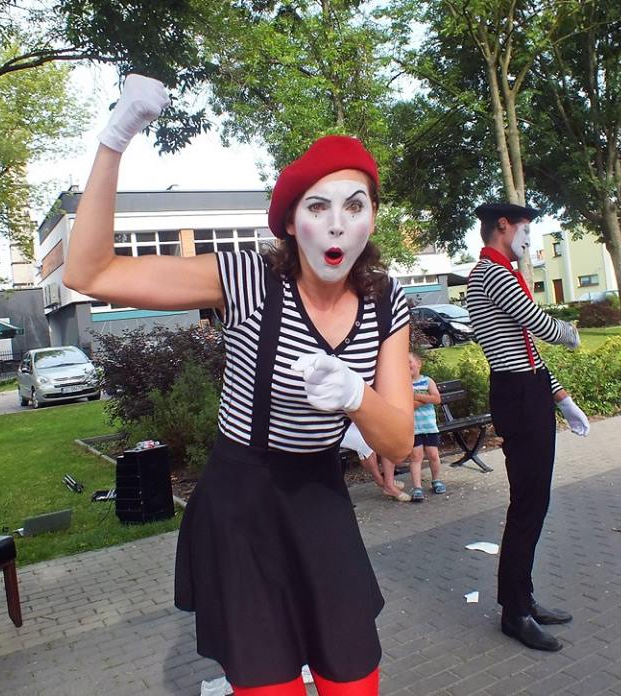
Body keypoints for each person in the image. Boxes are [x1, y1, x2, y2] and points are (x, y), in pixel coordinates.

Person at [63, 74, 414, 695]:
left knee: (355, 677)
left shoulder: (387, 301)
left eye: (354, 206)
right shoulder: (247, 279)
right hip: (243, 503)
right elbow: (90, 272)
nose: (337, 225)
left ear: (372, 218)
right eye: (318, 207)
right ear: (292, 224)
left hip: (320, 499)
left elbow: (398, 443)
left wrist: (357, 396)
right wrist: (115, 138)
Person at [466, 202, 590, 653]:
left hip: (527, 389)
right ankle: (514, 613)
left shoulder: (500, 272)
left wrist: (560, 396)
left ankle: (523, 598)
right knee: (528, 505)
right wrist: (572, 333)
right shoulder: (491, 274)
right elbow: (538, 325)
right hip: (517, 394)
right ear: (503, 226)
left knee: (534, 502)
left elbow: (528, 352)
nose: (529, 243)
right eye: (526, 232)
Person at [409, 351, 445, 498]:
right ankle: (417, 487)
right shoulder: (403, 384)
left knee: (433, 455)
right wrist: (425, 398)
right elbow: (409, 405)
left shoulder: (428, 381)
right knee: (416, 457)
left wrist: (417, 396)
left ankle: (436, 480)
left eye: (409, 362)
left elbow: (436, 399)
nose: (406, 366)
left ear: (418, 364)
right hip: (413, 428)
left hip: (429, 426)